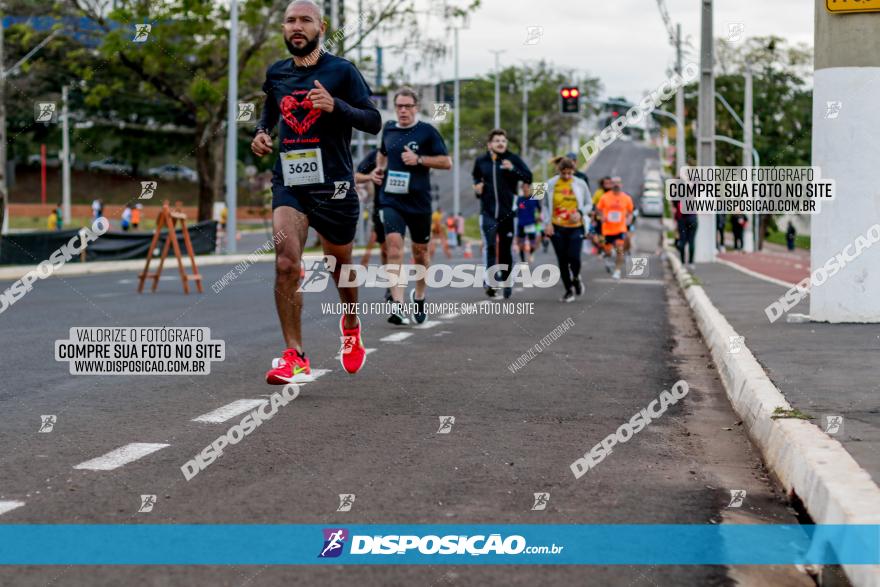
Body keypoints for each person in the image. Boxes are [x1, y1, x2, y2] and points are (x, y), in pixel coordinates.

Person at [251, 0, 381, 384]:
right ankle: (295, 355)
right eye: (290, 20)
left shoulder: (342, 71)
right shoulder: (277, 74)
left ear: (320, 27)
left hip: (335, 185)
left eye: (305, 20)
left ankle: (352, 323)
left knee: (339, 267)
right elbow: (270, 112)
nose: (297, 26)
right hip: (290, 182)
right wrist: (261, 134)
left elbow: (373, 120)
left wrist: (335, 105)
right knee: (286, 263)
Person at [370, 86, 452, 325]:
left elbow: (446, 162)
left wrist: (419, 160)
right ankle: (398, 305)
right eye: (399, 106)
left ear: (416, 108)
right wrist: (379, 169)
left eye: (408, 106)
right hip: (391, 199)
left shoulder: (427, 132)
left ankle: (420, 295)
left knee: (420, 254)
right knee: (394, 248)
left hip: (419, 201)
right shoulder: (389, 129)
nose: (403, 110)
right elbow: (382, 153)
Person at [471, 129, 532, 299]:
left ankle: (506, 280)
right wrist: (477, 187)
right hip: (488, 211)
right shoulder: (481, 161)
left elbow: (528, 176)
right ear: (490, 144)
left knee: (505, 249)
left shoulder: (513, 159)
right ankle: (490, 282)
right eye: (497, 140)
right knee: (489, 245)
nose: (500, 143)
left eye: (503, 141)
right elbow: (476, 177)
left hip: (508, 213)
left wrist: (512, 169)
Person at [543, 157, 591, 302]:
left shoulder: (580, 184)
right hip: (557, 227)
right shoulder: (550, 184)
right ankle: (568, 290)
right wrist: (547, 223)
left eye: (569, 173)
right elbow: (544, 205)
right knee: (562, 260)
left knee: (574, 258)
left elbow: (589, 204)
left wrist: (581, 213)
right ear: (559, 171)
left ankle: (576, 278)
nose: (566, 176)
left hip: (576, 227)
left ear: (573, 171)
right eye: (564, 173)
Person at [595, 177, 634, 280]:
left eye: (618, 183)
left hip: (620, 228)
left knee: (619, 249)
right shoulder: (605, 197)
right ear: (611, 185)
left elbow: (630, 212)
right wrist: (601, 216)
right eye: (614, 183)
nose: (616, 185)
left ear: (621, 184)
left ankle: (617, 271)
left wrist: (629, 219)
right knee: (608, 252)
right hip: (607, 229)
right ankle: (609, 253)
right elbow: (598, 209)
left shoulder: (626, 198)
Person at [354, 148, 386, 270]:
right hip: (382, 205)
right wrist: (370, 177)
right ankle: (391, 285)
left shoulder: (411, 151)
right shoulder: (376, 155)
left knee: (396, 248)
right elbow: (356, 176)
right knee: (386, 250)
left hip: (409, 206)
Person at [515, 190, 541, 264]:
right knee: (521, 244)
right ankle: (523, 260)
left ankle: (531, 253)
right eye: (524, 188)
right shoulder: (519, 199)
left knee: (533, 243)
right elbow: (515, 210)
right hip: (521, 224)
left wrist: (538, 216)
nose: (526, 190)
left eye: (527, 188)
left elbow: (539, 209)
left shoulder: (534, 199)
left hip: (531, 224)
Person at [674, 200, 698, 270]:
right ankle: (691, 263)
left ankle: (683, 263)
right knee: (692, 241)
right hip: (693, 219)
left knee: (682, 241)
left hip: (682, 220)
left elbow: (676, 209)